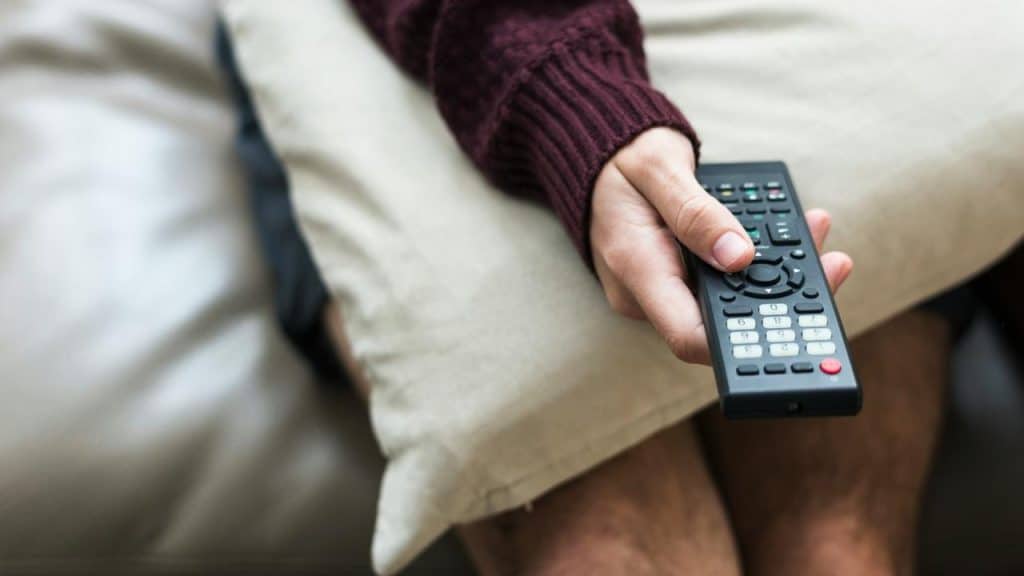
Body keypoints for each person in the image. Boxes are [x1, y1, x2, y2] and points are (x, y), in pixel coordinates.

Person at [219, 2, 1018, 573]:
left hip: (801, 48)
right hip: (394, 44)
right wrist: (577, 106)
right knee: (615, 556)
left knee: (835, 552)